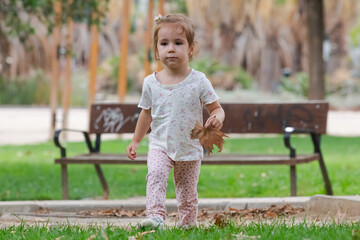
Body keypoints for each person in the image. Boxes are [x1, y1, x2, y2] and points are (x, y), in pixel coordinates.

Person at [126, 13, 225, 229]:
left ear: (190, 48)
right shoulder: (151, 83)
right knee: (155, 176)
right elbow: (146, 114)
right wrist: (135, 141)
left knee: (187, 192)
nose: (171, 48)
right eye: (164, 43)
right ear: (156, 50)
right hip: (160, 145)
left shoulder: (198, 80)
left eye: (178, 43)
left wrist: (216, 119)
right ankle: (155, 218)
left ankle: (187, 225)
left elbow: (216, 108)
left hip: (189, 148)